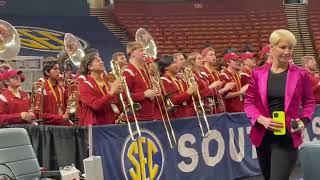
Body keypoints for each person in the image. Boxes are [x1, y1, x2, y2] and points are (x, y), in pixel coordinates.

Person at [244, 29, 316, 180]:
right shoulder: (258, 73)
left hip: (287, 137)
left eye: (290, 48)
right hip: (263, 137)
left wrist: (303, 121)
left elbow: (309, 102)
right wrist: (261, 119)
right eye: (283, 47)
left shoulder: (301, 74)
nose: (287, 52)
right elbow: (249, 102)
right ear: (271, 48)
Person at [78, 48, 122, 125]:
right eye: (98, 61)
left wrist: (117, 94)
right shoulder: (85, 85)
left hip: (111, 124)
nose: (102, 62)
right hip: (96, 128)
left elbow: (113, 104)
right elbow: (96, 105)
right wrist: (111, 93)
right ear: (90, 67)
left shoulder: (107, 82)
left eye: (101, 60)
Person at [122, 41, 161, 120]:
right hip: (137, 117)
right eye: (141, 50)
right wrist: (144, 95)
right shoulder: (127, 72)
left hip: (150, 115)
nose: (145, 53)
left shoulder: (145, 71)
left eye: (145, 50)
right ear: (132, 53)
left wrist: (155, 92)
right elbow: (123, 96)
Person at [158, 54, 197, 119]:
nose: (177, 65)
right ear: (166, 67)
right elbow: (172, 100)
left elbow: (190, 99)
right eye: (174, 63)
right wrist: (188, 93)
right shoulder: (164, 81)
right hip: (175, 117)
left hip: (187, 115)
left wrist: (194, 92)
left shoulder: (180, 80)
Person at [35, 60, 72, 125]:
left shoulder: (61, 88)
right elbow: (38, 114)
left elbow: (68, 105)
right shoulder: (42, 89)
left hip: (62, 124)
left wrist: (68, 112)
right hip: (48, 127)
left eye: (58, 69)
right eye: (55, 69)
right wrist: (58, 117)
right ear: (47, 72)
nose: (58, 71)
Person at [201, 47, 235, 113]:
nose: (214, 56)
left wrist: (227, 87)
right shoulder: (202, 72)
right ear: (204, 58)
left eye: (214, 54)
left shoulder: (217, 73)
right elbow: (204, 93)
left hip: (220, 107)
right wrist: (224, 89)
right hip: (209, 107)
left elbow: (222, 91)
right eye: (211, 55)